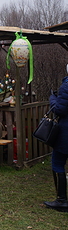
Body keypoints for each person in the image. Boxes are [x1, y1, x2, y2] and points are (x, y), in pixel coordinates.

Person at [46, 70, 68, 212]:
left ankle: (61, 200)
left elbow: (60, 109)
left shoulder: (66, 86)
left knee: (58, 162)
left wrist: (52, 99)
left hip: (66, 132)